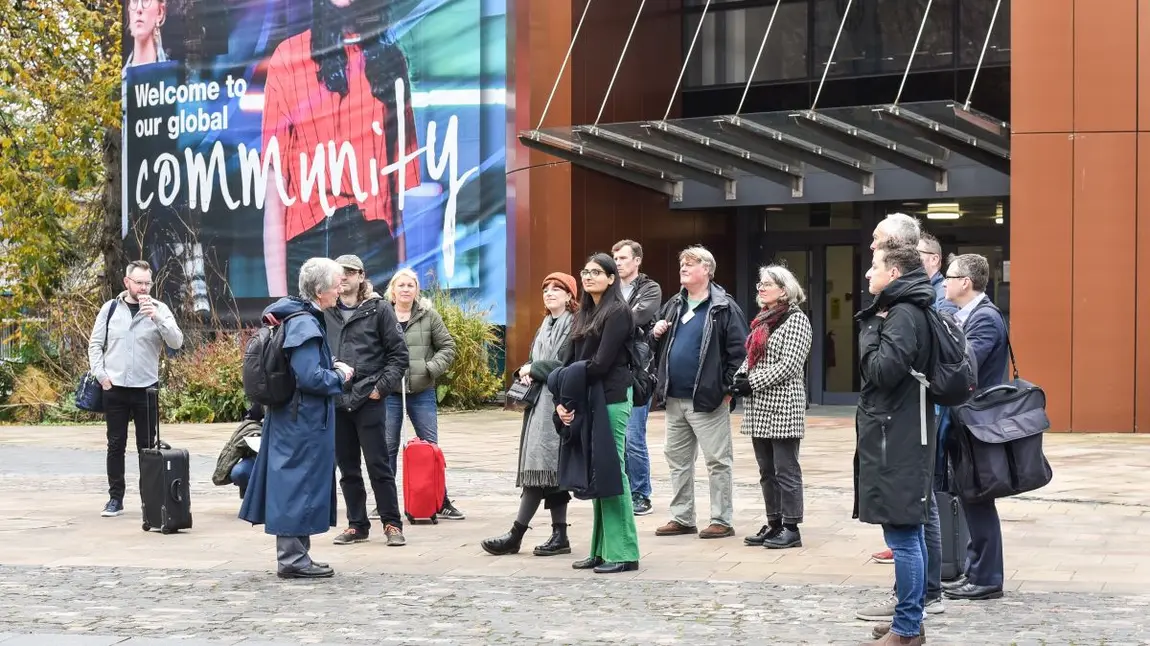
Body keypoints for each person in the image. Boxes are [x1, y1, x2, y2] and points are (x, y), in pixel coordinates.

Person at [261, 0, 421, 296]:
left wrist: (401, 295)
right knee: (313, 339)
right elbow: (274, 190)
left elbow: (397, 194)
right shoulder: (289, 58)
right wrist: (278, 306)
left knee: (370, 340)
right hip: (310, 241)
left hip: (374, 241)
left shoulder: (389, 60)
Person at [239, 257, 355, 579]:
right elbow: (310, 378)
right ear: (319, 291)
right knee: (295, 485)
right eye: (335, 285)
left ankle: (297, 556)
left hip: (293, 419)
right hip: (300, 421)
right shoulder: (304, 323)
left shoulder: (296, 317)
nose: (339, 290)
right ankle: (292, 560)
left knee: (295, 483)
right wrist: (339, 375)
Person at [854, 241, 937, 646]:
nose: (868, 274)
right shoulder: (906, 310)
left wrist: (870, 327)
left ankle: (906, 629)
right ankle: (910, 620)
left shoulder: (902, 314)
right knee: (909, 533)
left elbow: (882, 371)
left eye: (874, 266)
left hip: (898, 436)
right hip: (900, 431)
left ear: (895, 274)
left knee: (903, 536)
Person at [651, 246, 749, 539]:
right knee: (677, 459)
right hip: (674, 397)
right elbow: (658, 347)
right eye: (682, 263)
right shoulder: (674, 304)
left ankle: (721, 519)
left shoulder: (723, 307)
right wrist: (656, 333)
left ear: (707, 270)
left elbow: (740, 351)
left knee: (718, 460)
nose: (683, 268)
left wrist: (728, 388)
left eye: (690, 264)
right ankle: (682, 517)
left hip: (708, 399)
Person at [482, 272, 579, 557]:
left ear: (569, 296)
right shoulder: (545, 324)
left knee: (542, 470)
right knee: (547, 471)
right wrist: (525, 371)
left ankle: (517, 534)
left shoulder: (572, 324)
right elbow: (536, 361)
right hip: (540, 405)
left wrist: (532, 369)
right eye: (546, 289)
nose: (549, 293)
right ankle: (558, 534)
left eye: (556, 289)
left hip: (559, 404)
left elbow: (563, 362)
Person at [558, 254, 641, 574]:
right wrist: (563, 398)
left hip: (613, 396)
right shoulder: (584, 312)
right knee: (597, 472)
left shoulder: (618, 312)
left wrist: (569, 383)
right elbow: (570, 359)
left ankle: (624, 551)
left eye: (596, 272)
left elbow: (602, 363)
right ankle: (601, 549)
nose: (588, 276)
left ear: (611, 278)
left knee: (613, 471)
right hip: (589, 395)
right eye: (585, 271)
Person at [324, 255, 410, 547]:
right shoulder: (326, 311)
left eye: (350, 272)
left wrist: (380, 389)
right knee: (347, 469)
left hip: (369, 399)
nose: (344, 277)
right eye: (340, 273)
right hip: (337, 399)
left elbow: (399, 356)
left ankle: (391, 523)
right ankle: (357, 525)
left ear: (361, 276)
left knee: (379, 465)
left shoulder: (380, 309)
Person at [87, 260, 184, 518]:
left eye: (147, 283)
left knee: (147, 448)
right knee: (115, 445)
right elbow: (95, 345)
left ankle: (149, 501)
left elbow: (177, 341)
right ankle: (115, 498)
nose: (143, 288)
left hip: (146, 389)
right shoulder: (109, 309)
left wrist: (158, 318)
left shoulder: (160, 309)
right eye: (138, 282)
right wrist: (102, 375)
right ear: (126, 282)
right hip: (115, 388)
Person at [941, 254, 1009, 602]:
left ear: (965, 283)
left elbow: (966, 368)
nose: (945, 282)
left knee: (979, 498)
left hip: (978, 423)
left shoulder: (984, 319)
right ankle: (975, 571)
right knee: (971, 496)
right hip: (967, 420)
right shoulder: (968, 315)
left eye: (949, 277)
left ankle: (987, 578)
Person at [731, 265, 812, 550]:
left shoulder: (796, 320)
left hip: (783, 405)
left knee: (785, 469)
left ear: (784, 290)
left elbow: (789, 365)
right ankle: (774, 522)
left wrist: (751, 383)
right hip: (760, 407)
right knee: (766, 470)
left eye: (767, 284)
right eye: (759, 284)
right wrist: (739, 376)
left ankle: (792, 527)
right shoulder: (763, 320)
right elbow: (753, 357)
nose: (761, 288)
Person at [383, 268, 463, 520]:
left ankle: (441, 501)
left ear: (417, 290)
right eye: (401, 285)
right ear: (392, 290)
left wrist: (430, 369)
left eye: (411, 285)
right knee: (387, 447)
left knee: (430, 447)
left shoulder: (429, 315)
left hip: (422, 391)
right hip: (390, 392)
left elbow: (447, 347)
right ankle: (385, 503)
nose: (406, 289)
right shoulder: (381, 315)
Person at [612, 239, 662, 517]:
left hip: (638, 373)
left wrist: (607, 323)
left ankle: (641, 493)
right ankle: (621, 490)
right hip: (612, 371)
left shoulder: (649, 288)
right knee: (616, 438)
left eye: (623, 258)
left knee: (633, 437)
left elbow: (638, 316)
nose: (618, 262)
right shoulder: (609, 287)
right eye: (615, 258)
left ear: (637, 260)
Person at [124, 0, 169, 68]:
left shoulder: (172, 75)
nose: (139, 8)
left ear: (160, 12)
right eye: (134, 0)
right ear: (129, 10)